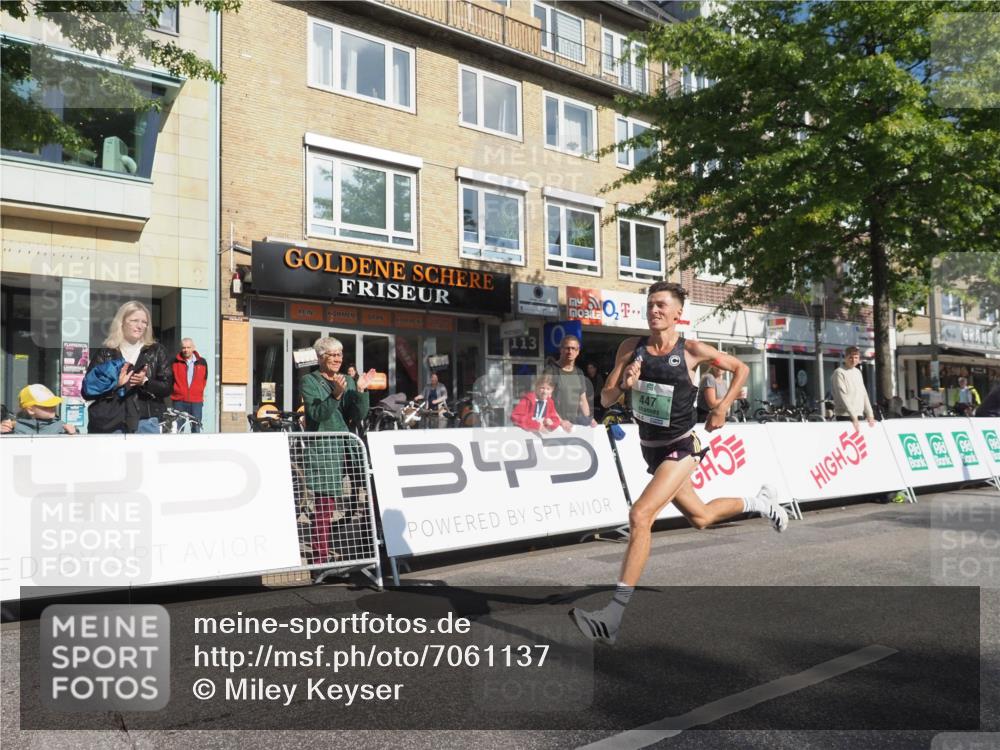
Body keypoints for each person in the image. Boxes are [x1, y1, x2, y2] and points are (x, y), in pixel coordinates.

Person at [570, 282, 788, 645]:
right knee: (700, 517)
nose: (654, 311)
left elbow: (740, 370)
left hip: (685, 445)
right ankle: (760, 503)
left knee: (640, 516)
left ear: (676, 314)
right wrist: (625, 383)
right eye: (650, 305)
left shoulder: (691, 350)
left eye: (661, 306)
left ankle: (612, 617)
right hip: (652, 450)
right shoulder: (631, 348)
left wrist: (721, 407)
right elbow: (606, 399)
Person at [300, 336, 376, 564]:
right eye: (332, 355)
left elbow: (358, 415)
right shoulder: (309, 381)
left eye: (339, 354)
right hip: (324, 450)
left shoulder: (348, 380)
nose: (337, 359)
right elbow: (317, 415)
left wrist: (361, 391)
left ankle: (366, 551)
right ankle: (320, 559)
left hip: (348, 447)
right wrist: (335, 394)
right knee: (325, 507)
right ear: (320, 357)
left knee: (365, 497)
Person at [82, 300, 172, 433]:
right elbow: (87, 391)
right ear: (122, 322)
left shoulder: (157, 351)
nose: (140, 326)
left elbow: (167, 387)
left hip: (146, 422)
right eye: (134, 320)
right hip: (112, 423)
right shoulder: (106, 352)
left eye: (144, 322)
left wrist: (146, 382)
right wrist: (115, 385)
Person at [545, 335, 596, 427]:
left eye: (573, 348)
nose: (570, 352)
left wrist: (589, 419)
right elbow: (545, 399)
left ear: (578, 352)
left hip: (573, 425)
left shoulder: (579, 372)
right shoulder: (551, 371)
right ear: (561, 350)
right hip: (554, 425)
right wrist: (560, 421)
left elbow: (582, 400)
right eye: (567, 348)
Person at [0, 385, 77, 435]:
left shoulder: (61, 426)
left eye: (54, 404)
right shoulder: (14, 426)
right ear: (30, 410)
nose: (53, 407)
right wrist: (2, 432)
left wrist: (74, 434)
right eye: (47, 405)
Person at [831, 346, 876, 431]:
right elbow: (842, 396)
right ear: (845, 358)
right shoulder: (839, 372)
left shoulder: (858, 372)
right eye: (850, 357)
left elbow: (864, 394)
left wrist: (870, 414)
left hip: (859, 414)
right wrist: (853, 416)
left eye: (856, 357)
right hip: (845, 416)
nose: (853, 360)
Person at [170, 338, 208, 432]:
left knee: (196, 428)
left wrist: (199, 392)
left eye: (188, 347)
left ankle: (195, 446)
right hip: (179, 400)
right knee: (177, 429)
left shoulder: (202, 362)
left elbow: (204, 379)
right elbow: (170, 380)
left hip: (196, 401)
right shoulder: (174, 362)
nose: (186, 350)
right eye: (183, 348)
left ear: (193, 348)